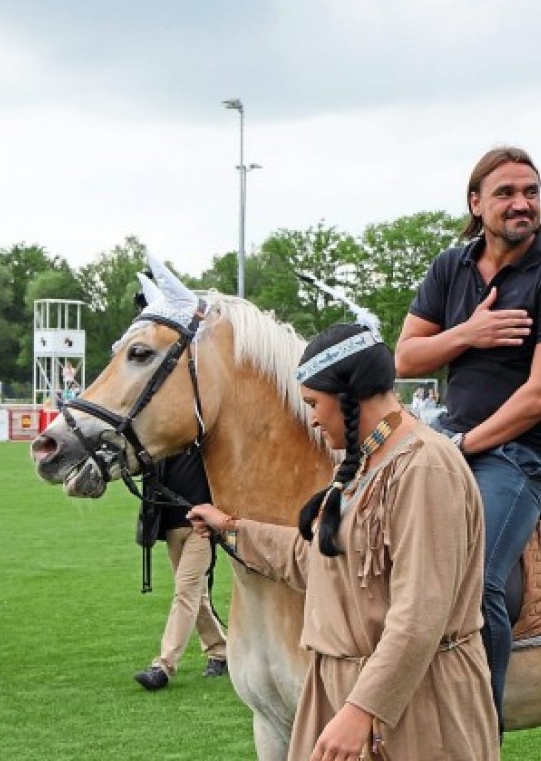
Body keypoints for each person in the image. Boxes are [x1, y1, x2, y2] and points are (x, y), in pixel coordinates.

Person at [188, 323, 497, 760]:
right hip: (350, 694)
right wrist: (232, 529)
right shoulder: (363, 463)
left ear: (348, 394)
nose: (312, 418)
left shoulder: (425, 467)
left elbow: (419, 614)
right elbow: (322, 562)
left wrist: (362, 710)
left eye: (314, 403)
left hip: (417, 708)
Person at [394, 146, 541, 735]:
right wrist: (468, 332)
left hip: (524, 455)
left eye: (531, 192)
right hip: (450, 438)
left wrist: (461, 447)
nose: (521, 203)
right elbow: (405, 357)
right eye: (506, 193)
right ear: (475, 203)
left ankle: (477, 730)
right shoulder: (450, 268)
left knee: (475, 578)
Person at [131, 447, 228, 691]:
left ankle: (164, 666)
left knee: (185, 592)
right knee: (196, 595)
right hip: (172, 527)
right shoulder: (163, 445)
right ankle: (220, 651)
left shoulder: (205, 441)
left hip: (202, 529)